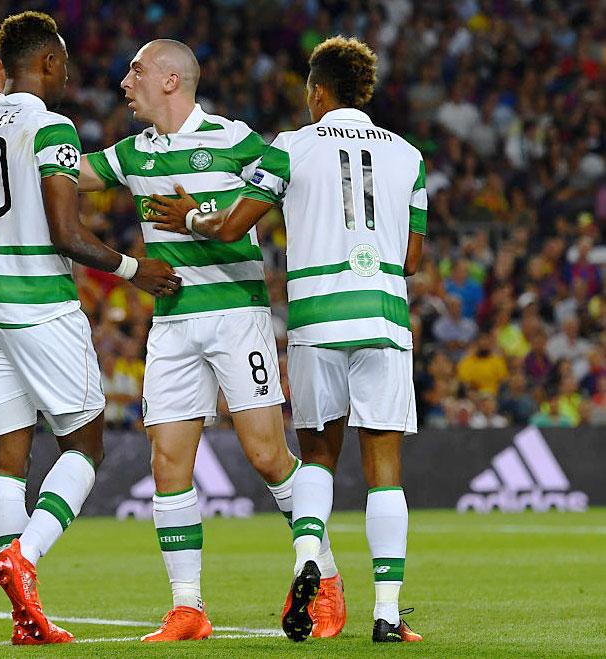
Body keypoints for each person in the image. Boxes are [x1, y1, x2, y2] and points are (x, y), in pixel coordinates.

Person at [0, 39, 346, 642]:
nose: (124, 81)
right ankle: (188, 607)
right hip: (173, 323)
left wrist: (205, 211)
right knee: (168, 462)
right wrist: (10, 110)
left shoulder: (235, 140)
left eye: (136, 71)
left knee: (266, 454)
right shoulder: (133, 154)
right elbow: (58, 168)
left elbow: (285, 184)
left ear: (172, 81)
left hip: (237, 316)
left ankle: (325, 575)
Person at [148, 36, 424, 643]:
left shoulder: (290, 149)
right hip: (382, 315)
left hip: (317, 320)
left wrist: (191, 216)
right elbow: (412, 256)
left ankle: (307, 561)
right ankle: (386, 614)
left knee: (319, 456)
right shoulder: (409, 155)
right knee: (384, 471)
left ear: (317, 92)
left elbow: (231, 227)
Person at [0, 11, 179, 646]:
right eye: (64, 63)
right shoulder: (52, 128)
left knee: (8, 454)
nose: (69, 74)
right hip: (40, 306)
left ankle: (23, 612)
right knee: (85, 444)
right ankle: (26, 557)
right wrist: (134, 268)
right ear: (45, 63)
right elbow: (65, 235)